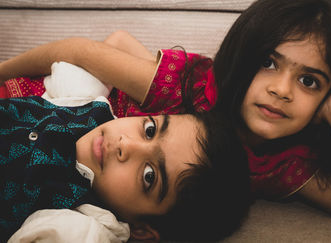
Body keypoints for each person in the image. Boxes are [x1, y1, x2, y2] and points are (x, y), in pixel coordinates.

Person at [2, 0, 331, 233]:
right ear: (244, 55)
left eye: (309, 81)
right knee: (109, 54)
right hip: (97, 114)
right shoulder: (188, 87)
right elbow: (77, 51)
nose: (281, 91)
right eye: (269, 63)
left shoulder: (282, 165)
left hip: (112, 168)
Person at [0, 62, 251, 242]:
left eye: (149, 176)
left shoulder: (81, 224)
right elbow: (78, 62)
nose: (126, 144)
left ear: (142, 229)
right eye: (150, 130)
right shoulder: (92, 103)